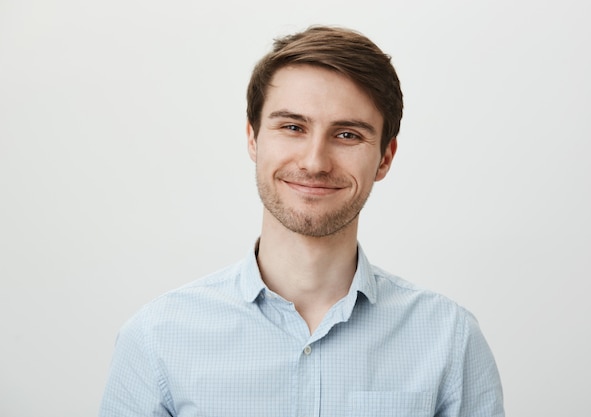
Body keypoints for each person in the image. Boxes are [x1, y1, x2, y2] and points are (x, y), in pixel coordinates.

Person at [100, 25, 505, 416]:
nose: (314, 162)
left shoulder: (450, 340)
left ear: (385, 157)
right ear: (253, 138)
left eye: (347, 135)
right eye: (293, 127)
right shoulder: (156, 340)